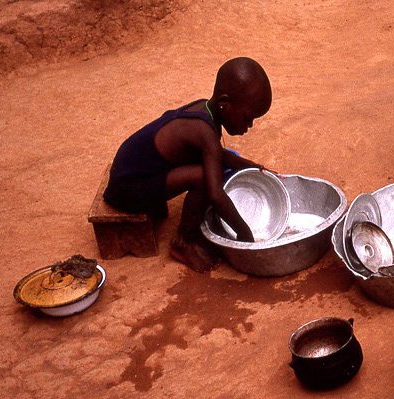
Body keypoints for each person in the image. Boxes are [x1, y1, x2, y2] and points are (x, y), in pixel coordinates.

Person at [104, 57, 274, 272]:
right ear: (225, 104)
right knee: (203, 177)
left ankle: (190, 236)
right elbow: (215, 194)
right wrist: (245, 234)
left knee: (213, 165)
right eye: (247, 118)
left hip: (132, 173)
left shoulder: (205, 109)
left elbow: (218, 154)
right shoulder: (204, 133)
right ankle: (184, 242)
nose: (249, 126)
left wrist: (249, 165)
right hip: (126, 191)